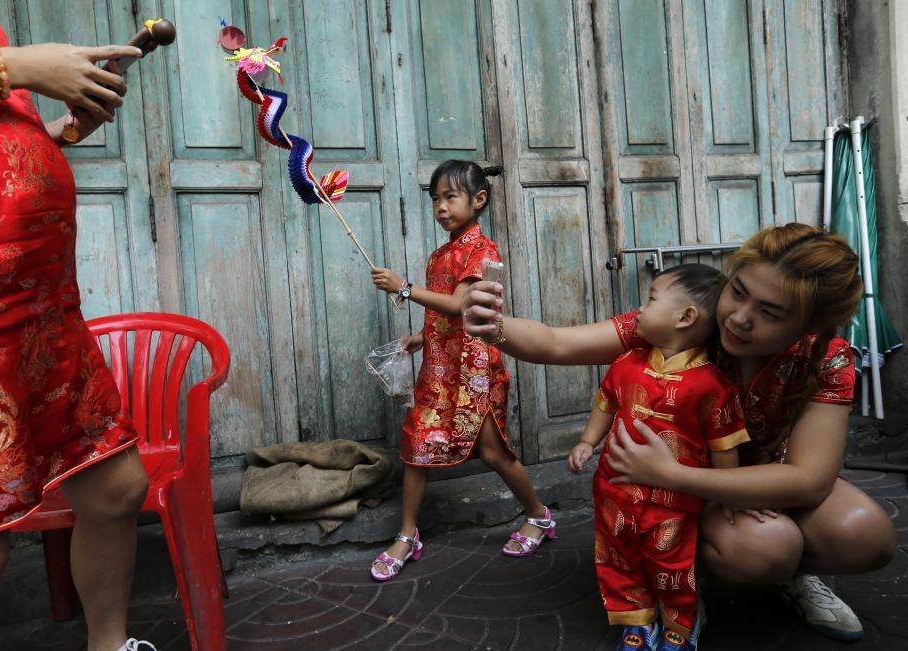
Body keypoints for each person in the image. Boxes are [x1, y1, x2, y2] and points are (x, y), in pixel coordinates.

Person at [462, 222, 897, 642]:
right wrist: (494, 325)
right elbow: (557, 343)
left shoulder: (826, 358)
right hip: (682, 496)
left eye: (769, 312)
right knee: (768, 546)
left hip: (741, 480)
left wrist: (673, 474)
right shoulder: (691, 326)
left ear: (808, 325)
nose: (739, 319)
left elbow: (810, 479)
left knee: (866, 536)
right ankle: (676, 584)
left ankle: (794, 578)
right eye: (738, 292)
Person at [0, 2, 155, 650]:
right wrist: (22, 66)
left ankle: (109, 645)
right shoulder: (1, 55)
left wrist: (46, 134)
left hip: (40, 305)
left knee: (116, 488)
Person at [368, 160, 554, 581]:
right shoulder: (440, 255)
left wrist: (403, 288)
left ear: (478, 199)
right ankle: (407, 535)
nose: (441, 207)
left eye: (451, 197)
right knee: (416, 446)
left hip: (475, 371)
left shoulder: (482, 250)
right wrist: (421, 337)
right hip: (439, 369)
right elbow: (444, 314)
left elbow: (460, 305)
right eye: (436, 199)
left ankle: (539, 515)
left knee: (492, 452)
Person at [568, 263, 749, 651]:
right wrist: (587, 441)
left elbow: (724, 444)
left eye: (650, 300)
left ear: (685, 317)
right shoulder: (626, 363)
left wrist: (727, 497)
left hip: (673, 502)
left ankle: (678, 624)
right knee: (618, 558)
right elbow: (606, 403)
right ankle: (636, 620)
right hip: (615, 491)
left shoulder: (712, 384)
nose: (639, 309)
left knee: (672, 565)